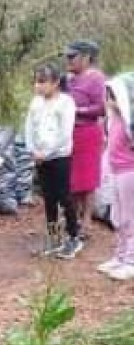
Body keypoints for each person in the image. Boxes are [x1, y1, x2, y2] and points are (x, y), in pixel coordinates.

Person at [24, 63, 82, 258]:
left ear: (56, 82)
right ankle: (54, 237)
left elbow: (64, 134)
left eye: (42, 82)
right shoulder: (36, 103)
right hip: (40, 157)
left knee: (64, 196)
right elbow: (29, 128)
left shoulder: (66, 103)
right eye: (36, 82)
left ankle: (74, 237)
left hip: (59, 157)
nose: (37, 86)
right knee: (48, 198)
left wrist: (46, 152)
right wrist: (32, 149)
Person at [65, 40, 106, 239]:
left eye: (72, 57)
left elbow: (102, 107)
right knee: (70, 180)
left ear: (86, 58)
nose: (68, 60)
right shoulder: (69, 78)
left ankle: (86, 222)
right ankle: (72, 220)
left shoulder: (96, 78)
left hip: (87, 133)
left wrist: (78, 111)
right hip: (68, 134)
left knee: (87, 181)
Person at [98, 73, 134, 280]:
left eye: (113, 96)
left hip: (129, 171)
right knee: (117, 217)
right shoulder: (112, 120)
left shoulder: (130, 123)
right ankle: (119, 256)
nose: (109, 100)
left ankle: (130, 260)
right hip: (116, 170)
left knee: (130, 217)